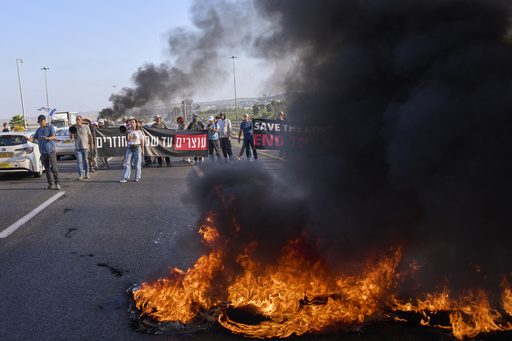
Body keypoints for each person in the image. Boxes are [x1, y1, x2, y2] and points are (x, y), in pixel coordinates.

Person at [24, 115, 60, 190]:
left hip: (51, 151)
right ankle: (50, 183)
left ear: (44, 120)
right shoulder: (38, 130)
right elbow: (33, 138)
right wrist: (28, 139)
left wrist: (47, 138)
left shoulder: (50, 128)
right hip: (43, 152)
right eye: (39, 123)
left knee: (54, 168)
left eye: (41, 122)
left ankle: (57, 183)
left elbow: (54, 137)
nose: (40, 124)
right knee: (47, 169)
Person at [120, 118, 144, 183]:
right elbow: (128, 140)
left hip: (137, 147)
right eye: (131, 122)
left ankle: (137, 177)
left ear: (136, 124)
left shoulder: (139, 131)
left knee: (137, 163)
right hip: (130, 147)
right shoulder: (129, 130)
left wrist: (143, 150)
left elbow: (141, 140)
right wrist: (127, 133)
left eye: (133, 122)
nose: (132, 123)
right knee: (127, 163)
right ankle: (125, 177)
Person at [70, 115, 93, 180]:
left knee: (86, 160)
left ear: (81, 120)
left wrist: (91, 144)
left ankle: (87, 173)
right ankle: (81, 174)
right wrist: (72, 132)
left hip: (85, 146)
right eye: (77, 120)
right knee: (79, 161)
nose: (78, 121)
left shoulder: (86, 127)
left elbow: (90, 135)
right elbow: (71, 137)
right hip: (77, 147)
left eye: (79, 119)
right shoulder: (74, 127)